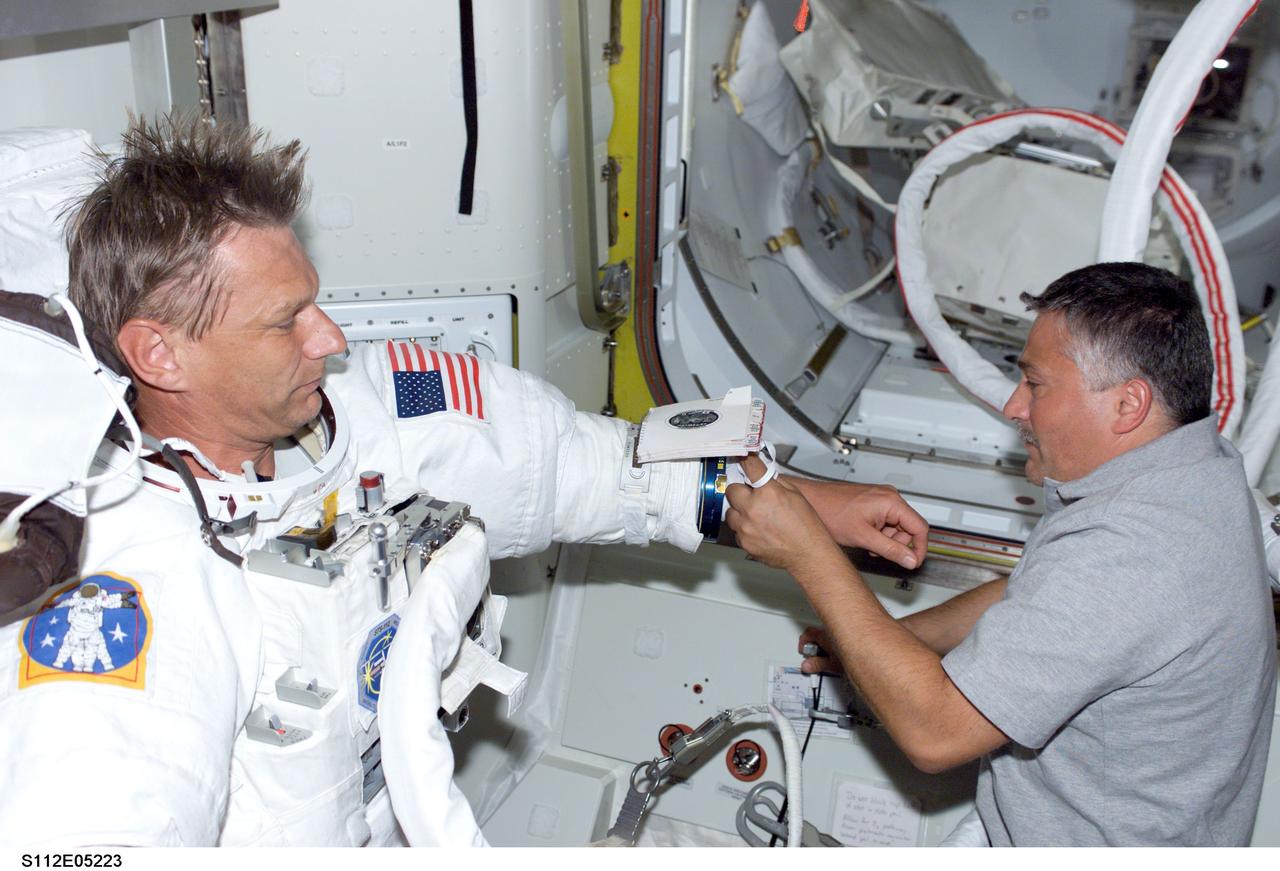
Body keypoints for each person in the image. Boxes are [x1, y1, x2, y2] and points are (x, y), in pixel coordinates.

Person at [0, 114, 926, 847]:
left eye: (315, 301)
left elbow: (588, 467)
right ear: (159, 354)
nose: (331, 337)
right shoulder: (130, 598)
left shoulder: (371, 405)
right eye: (287, 322)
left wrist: (801, 504)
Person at [727, 262, 1278, 846]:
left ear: (1128, 404)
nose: (1014, 407)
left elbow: (934, 734)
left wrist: (811, 553)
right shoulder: (1193, 471)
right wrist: (890, 644)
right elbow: (1039, 598)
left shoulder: (1131, 551)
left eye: (1035, 384)